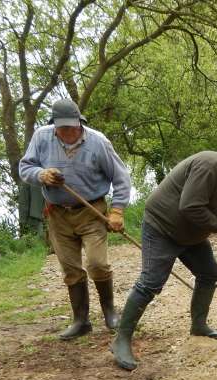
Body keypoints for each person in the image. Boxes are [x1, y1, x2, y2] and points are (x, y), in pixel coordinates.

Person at [111, 135, 217, 371]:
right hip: (162, 227)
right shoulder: (209, 165)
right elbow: (190, 206)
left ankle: (199, 325)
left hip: (192, 234)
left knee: (209, 273)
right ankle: (121, 339)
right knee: (151, 282)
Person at [19, 98, 131, 340]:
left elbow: (121, 177)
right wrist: (41, 174)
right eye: (62, 128)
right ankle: (81, 321)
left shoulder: (98, 142)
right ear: (54, 125)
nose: (68, 132)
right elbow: (25, 168)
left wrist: (117, 211)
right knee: (70, 269)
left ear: (80, 122)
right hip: (57, 214)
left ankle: (110, 314)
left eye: (72, 126)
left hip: (91, 211)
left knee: (97, 264)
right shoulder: (41, 137)